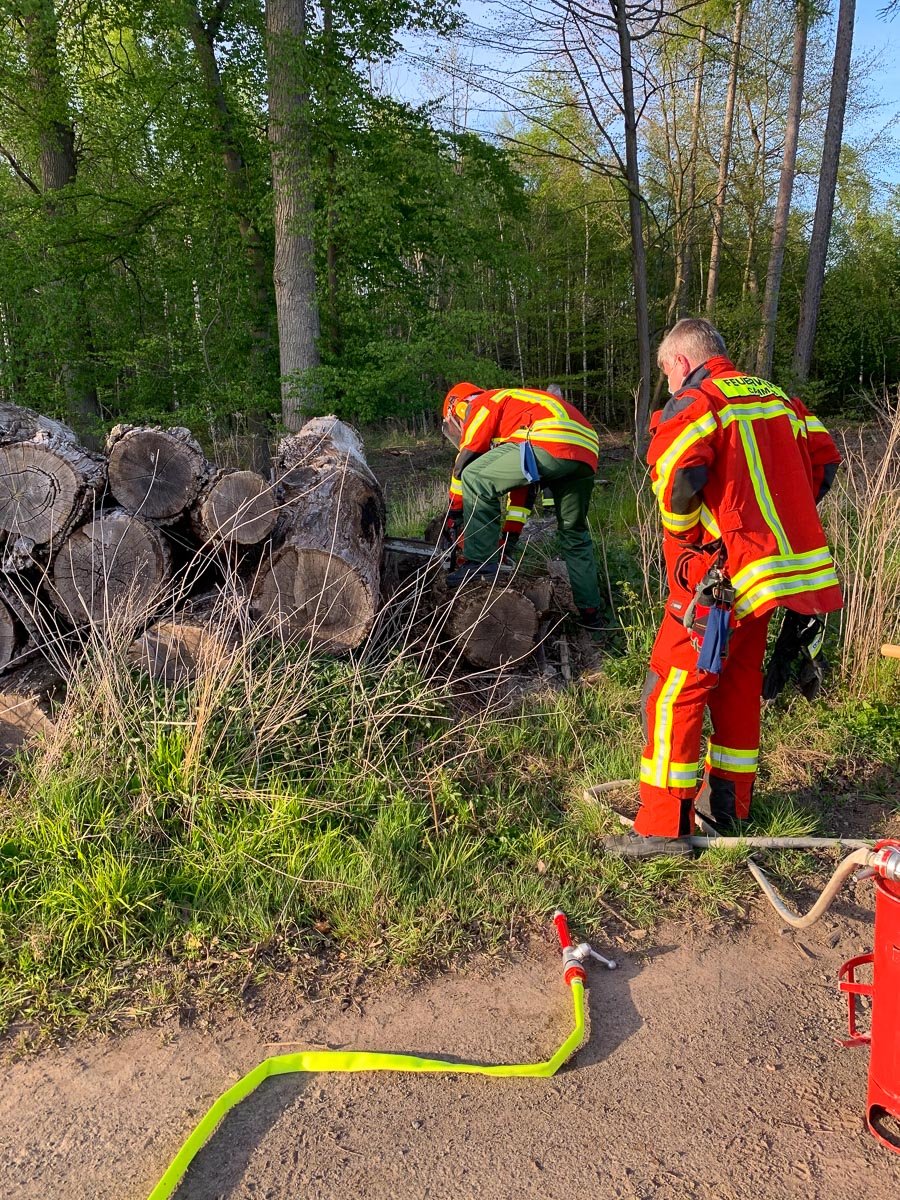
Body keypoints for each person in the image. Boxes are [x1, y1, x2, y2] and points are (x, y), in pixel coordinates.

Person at [605, 318, 842, 858]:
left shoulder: (699, 403)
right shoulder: (781, 400)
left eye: (667, 372)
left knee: (672, 689)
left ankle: (663, 828)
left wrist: (687, 543)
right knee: (737, 683)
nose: (669, 384)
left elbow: (678, 476)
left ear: (682, 361)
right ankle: (729, 808)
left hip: (715, 579)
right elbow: (825, 463)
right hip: (766, 577)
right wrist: (774, 522)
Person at [440, 381, 604, 627]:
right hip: (586, 447)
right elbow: (522, 493)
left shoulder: (484, 401)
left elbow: (467, 458)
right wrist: (508, 541)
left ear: (457, 409)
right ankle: (591, 612)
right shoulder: (515, 416)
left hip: (548, 437)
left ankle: (480, 565)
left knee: (475, 477)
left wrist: (454, 512)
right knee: (574, 533)